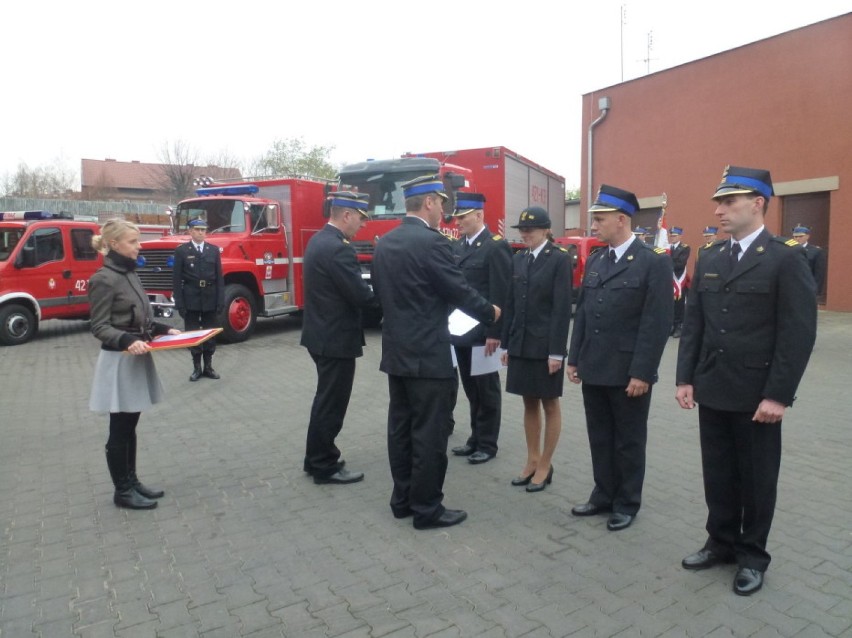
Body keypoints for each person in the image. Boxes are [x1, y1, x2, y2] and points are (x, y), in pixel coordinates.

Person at [676, 166, 817, 596]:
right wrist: (686, 378)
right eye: (718, 202)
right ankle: (720, 542)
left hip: (758, 395)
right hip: (714, 386)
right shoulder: (714, 256)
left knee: (756, 480)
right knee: (717, 473)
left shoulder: (785, 257)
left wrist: (778, 395)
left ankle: (753, 555)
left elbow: (797, 333)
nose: (719, 209)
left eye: (729, 201)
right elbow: (694, 322)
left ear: (758, 203)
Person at [372, 175, 500, 530]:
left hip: (396, 353)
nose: (445, 211)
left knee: (400, 428)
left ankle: (402, 500)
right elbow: (457, 289)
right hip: (429, 355)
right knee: (430, 433)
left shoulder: (386, 243)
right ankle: (427, 508)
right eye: (442, 203)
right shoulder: (433, 244)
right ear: (428, 203)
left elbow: (381, 296)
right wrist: (490, 313)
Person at [567, 185, 673, 531]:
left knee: (628, 440)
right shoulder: (597, 259)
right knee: (599, 435)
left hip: (628, 370)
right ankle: (603, 494)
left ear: (622, 220)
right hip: (595, 364)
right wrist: (574, 357)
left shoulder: (652, 262)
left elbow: (656, 323)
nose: (594, 225)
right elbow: (582, 312)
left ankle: (627, 501)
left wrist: (642, 372)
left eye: (599, 219)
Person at [88, 218, 180, 510]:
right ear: (114, 244)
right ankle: (122, 490)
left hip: (137, 355)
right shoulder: (103, 279)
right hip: (119, 361)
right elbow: (99, 326)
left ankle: (132, 480)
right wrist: (127, 340)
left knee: (130, 425)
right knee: (120, 428)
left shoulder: (130, 272)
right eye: (133, 242)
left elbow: (142, 317)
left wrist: (164, 330)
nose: (138, 247)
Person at [300, 192, 376, 485]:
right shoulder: (338, 248)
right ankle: (324, 465)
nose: (362, 225)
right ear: (346, 215)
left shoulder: (319, 241)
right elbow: (359, 295)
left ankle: (315, 457)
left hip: (320, 335)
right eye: (360, 218)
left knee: (324, 400)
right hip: (335, 339)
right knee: (331, 405)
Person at [500, 207, 572, 493]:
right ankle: (531, 460)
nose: (525, 234)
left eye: (531, 229)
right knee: (528, 402)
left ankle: (545, 463)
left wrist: (557, 352)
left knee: (550, 403)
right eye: (522, 230)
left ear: (546, 230)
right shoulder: (518, 259)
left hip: (545, 346)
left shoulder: (558, 260)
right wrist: (506, 342)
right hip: (521, 342)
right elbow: (511, 303)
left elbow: (561, 308)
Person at [449, 193, 512, 465]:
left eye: (463, 217)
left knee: (486, 390)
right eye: (457, 217)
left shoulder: (495, 246)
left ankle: (487, 443)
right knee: (470, 388)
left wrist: (495, 333)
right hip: (462, 331)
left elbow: (502, 292)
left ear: (479, 215)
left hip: (485, 333)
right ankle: (475, 438)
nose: (459, 222)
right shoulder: (458, 246)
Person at [172, 218, 224, 381]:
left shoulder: (213, 250)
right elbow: (176, 279)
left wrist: (220, 300)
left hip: (210, 296)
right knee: (193, 334)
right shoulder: (182, 251)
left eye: (203, 230)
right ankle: (196, 368)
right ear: (190, 231)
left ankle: (208, 367)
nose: (201, 233)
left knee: (209, 334)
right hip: (191, 297)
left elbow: (219, 277)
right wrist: (179, 303)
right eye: (197, 230)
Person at [791, 224, 827, 297]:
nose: (797, 238)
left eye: (801, 236)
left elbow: (819, 275)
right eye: (795, 236)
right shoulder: (788, 249)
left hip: (807, 288)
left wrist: (815, 292)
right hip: (791, 288)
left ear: (807, 236)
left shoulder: (816, 251)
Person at [669, 226, 691, 338]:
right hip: (669, 280)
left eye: (675, 235)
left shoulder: (684, 248)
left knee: (679, 304)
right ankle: (671, 325)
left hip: (679, 280)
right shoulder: (667, 248)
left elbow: (680, 264)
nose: (672, 237)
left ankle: (679, 326)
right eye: (671, 235)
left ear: (680, 236)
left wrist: (666, 264)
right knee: (670, 304)